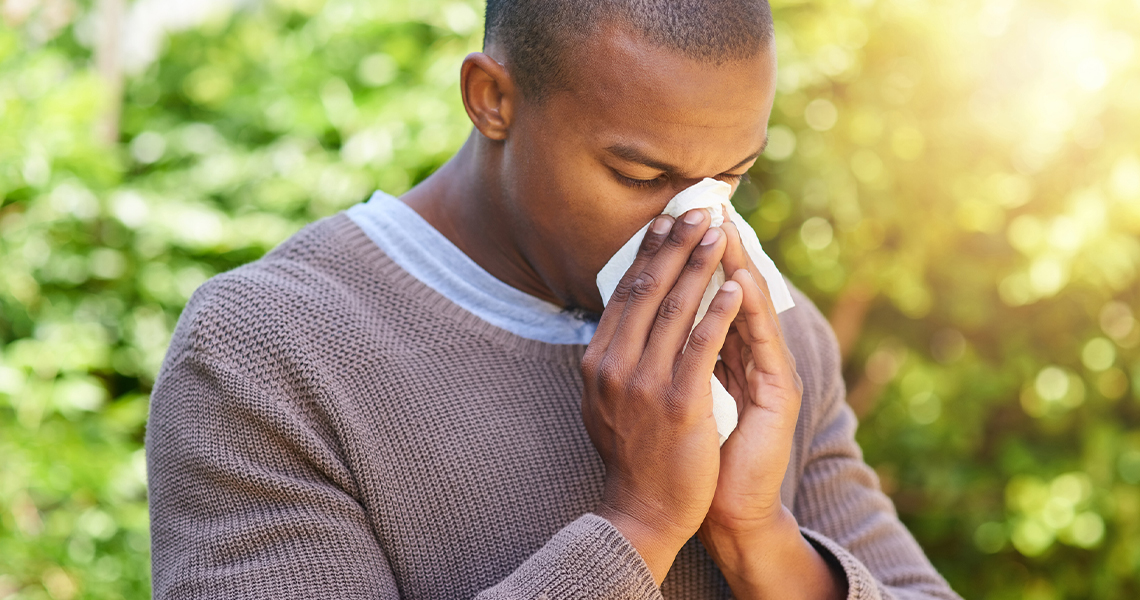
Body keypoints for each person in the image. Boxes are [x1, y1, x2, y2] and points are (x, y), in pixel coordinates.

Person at [146, 0, 962, 598]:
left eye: (732, 177)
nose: (697, 226)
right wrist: (638, 525)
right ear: (492, 100)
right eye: (644, 177)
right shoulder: (268, 350)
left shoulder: (769, 339)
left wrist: (758, 536)